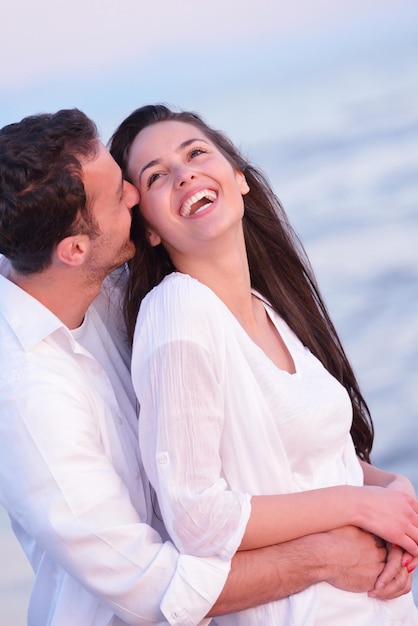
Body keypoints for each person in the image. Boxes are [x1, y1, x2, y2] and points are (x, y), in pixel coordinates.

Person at [0, 109, 399, 626]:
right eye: (123, 192)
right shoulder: (30, 398)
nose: (134, 196)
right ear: (74, 250)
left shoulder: (95, 279)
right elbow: (153, 585)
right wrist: (327, 552)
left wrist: (386, 491)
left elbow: (281, 448)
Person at [108, 104, 418, 625]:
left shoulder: (270, 307)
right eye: (157, 176)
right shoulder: (178, 310)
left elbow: (311, 458)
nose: (184, 173)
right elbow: (197, 517)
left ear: (239, 179)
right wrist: (358, 506)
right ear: (151, 231)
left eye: (196, 153)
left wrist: (390, 490)